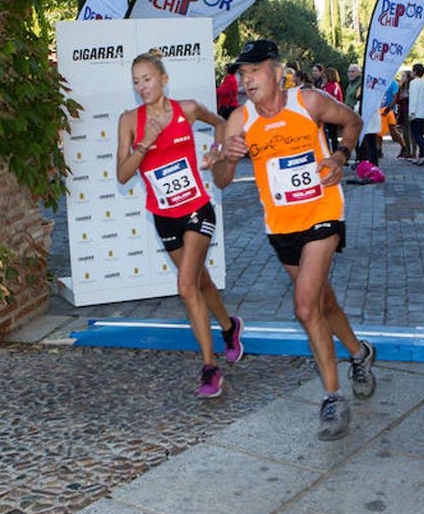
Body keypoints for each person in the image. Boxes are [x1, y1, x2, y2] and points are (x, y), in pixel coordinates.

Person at [213, 40, 377, 441]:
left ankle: (333, 398)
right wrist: (228, 157)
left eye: (254, 71)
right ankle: (360, 353)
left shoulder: (309, 102)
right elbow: (221, 180)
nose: (247, 80)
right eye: (242, 73)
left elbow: (353, 122)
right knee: (323, 302)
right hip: (281, 225)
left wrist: (340, 157)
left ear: (276, 71)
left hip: (322, 212)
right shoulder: (240, 119)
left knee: (305, 306)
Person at [117, 52, 245, 399]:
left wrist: (217, 150)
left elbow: (221, 123)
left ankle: (210, 368)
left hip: (197, 209)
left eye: (147, 79)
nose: (142, 87)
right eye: (136, 82)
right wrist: (145, 143)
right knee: (200, 281)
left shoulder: (186, 109)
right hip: (164, 216)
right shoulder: (129, 121)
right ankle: (229, 326)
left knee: (186, 286)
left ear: (163, 79)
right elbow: (123, 174)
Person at [407, 63, 424, 166]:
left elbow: (413, 99)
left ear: (414, 72)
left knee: (417, 135)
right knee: (419, 134)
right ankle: (422, 154)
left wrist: (412, 112)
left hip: (416, 113)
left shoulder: (414, 83)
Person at [321, 66, 345, 153]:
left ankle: (335, 151)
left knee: (332, 135)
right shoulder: (328, 86)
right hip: (330, 113)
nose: (323, 79)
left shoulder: (332, 86)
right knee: (331, 135)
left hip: (332, 113)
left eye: (324, 77)